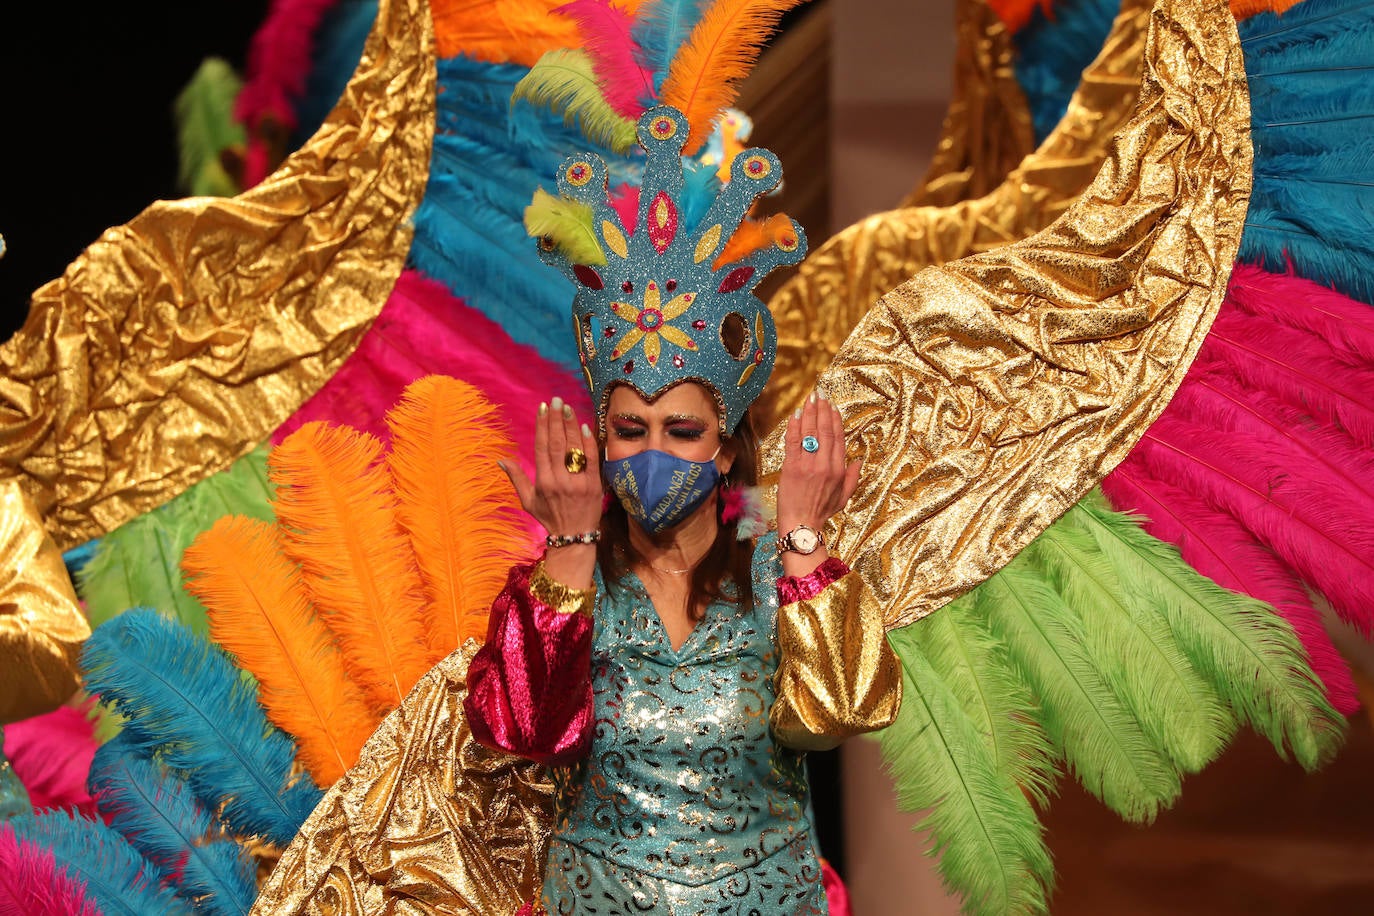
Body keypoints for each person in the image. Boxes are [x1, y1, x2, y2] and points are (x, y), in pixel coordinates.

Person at [461, 106, 903, 914]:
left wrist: (802, 535)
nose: (653, 451)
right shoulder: (565, 583)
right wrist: (568, 541)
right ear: (599, 439)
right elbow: (524, 732)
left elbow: (837, 715)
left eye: (682, 430)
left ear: (726, 448)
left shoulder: (779, 573)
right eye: (630, 429)